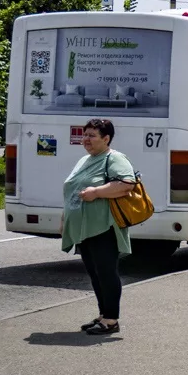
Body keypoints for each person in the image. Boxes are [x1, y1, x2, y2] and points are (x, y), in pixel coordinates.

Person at [62, 119, 137, 335]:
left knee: (106, 272)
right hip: (84, 228)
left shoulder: (115, 158)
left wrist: (96, 192)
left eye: (92, 135)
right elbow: (72, 190)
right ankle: (104, 315)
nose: (86, 139)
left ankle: (111, 320)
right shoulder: (85, 160)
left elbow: (126, 183)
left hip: (104, 226)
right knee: (95, 274)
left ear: (106, 139)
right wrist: (65, 218)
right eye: (85, 134)